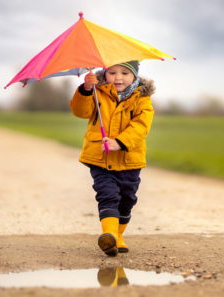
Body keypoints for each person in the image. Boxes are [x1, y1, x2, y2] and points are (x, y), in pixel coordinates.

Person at [70, 61, 155, 256]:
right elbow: (80, 112)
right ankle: (108, 234)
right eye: (112, 72)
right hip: (100, 158)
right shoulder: (97, 91)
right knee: (107, 194)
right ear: (104, 74)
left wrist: (120, 142)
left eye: (125, 73)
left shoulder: (142, 98)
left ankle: (118, 235)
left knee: (127, 199)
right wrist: (86, 89)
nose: (118, 78)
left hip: (129, 158)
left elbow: (141, 125)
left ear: (135, 76)